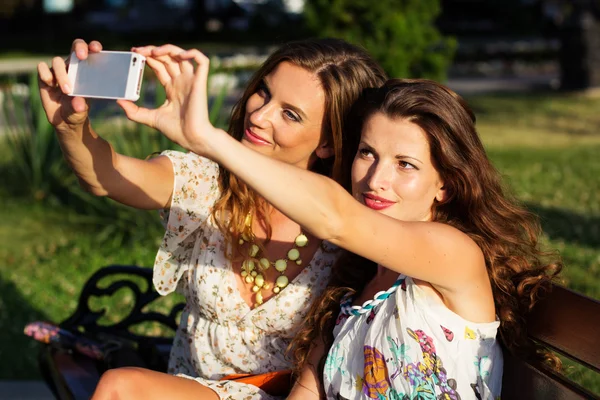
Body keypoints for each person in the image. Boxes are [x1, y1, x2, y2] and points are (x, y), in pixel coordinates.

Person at [128, 48, 562, 399]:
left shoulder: (451, 254)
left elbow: (337, 217)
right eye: (367, 153)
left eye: (405, 165)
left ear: (445, 187)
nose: (376, 180)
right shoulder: (352, 291)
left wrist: (209, 139)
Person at [37, 38, 386, 399]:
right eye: (263, 94)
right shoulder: (210, 184)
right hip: (185, 388)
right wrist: (70, 128)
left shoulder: (348, 221)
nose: (258, 116)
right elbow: (107, 177)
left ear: (328, 142)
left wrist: (206, 137)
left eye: (290, 114)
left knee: (120, 387)